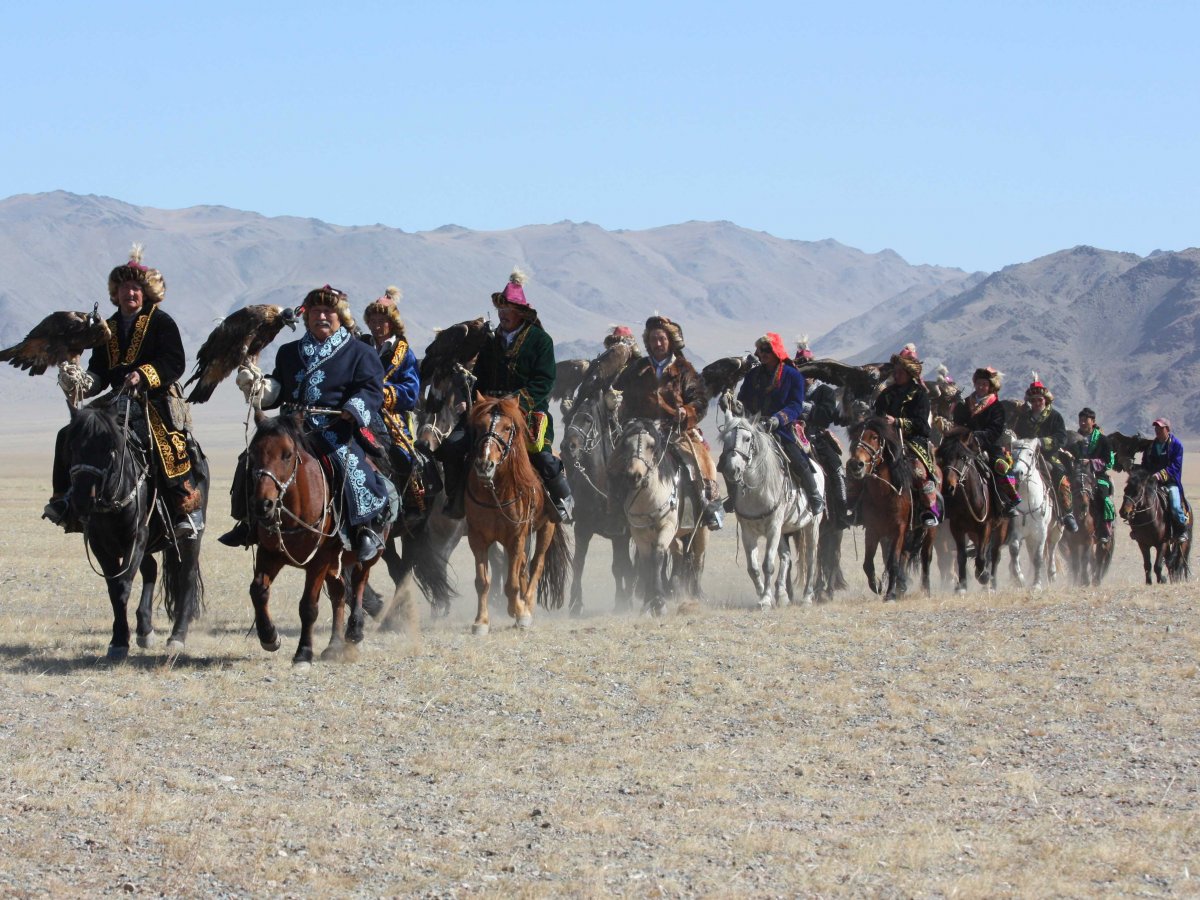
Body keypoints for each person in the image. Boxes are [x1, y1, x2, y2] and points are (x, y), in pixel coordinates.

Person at [45, 244, 205, 538]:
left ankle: (182, 506)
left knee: (164, 440)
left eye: (135, 288)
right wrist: (80, 380)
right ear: (115, 293)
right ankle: (65, 499)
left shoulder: (161, 321)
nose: (130, 293)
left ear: (145, 293)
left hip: (155, 399)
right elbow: (100, 372)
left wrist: (143, 374)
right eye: (124, 288)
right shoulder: (108, 328)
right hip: (115, 400)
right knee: (70, 433)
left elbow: (174, 361)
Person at [222, 286, 391, 561]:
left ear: (340, 316)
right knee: (251, 460)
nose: (321, 316)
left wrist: (353, 407)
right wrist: (259, 386)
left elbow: (372, 389)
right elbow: (279, 388)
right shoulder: (289, 352)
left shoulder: (360, 352)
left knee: (354, 470)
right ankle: (248, 523)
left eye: (328, 311)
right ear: (307, 316)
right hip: (291, 429)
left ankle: (364, 529)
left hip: (334, 430)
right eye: (315, 311)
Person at [438, 269, 574, 523]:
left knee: (543, 457)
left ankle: (561, 500)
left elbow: (544, 381)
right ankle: (455, 498)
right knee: (452, 447)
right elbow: (480, 377)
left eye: (507, 309)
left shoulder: (541, 341)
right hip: (489, 410)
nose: (502, 314)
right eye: (499, 310)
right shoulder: (490, 342)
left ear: (520, 312)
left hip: (527, 411)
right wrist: (471, 397)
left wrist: (514, 402)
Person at [611, 315, 724, 529]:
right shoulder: (637, 369)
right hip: (642, 429)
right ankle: (615, 511)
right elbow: (620, 392)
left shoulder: (684, 369)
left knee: (701, 463)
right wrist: (615, 401)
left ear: (670, 340)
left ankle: (710, 508)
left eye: (661, 338)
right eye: (653, 339)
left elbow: (700, 400)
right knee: (615, 462)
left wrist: (687, 411)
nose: (658, 343)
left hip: (676, 430)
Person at [362, 285, 435, 529]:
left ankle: (412, 505)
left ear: (392, 322)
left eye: (381, 320)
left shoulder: (406, 355)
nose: (375, 324)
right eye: (372, 319)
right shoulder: (361, 347)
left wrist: (381, 394)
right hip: (358, 411)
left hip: (391, 417)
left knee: (404, 457)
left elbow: (411, 391)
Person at [735, 332, 824, 516]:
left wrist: (778, 418)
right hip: (755, 426)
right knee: (734, 455)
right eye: (761, 350)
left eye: (768, 349)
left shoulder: (793, 375)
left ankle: (814, 495)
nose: (764, 353)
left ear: (776, 351)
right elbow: (743, 398)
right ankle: (734, 496)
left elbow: (795, 405)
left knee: (796, 456)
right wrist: (736, 405)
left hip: (780, 427)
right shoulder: (753, 375)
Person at [873, 343, 940, 527]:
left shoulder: (920, 395)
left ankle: (929, 509)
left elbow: (922, 426)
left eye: (900, 371)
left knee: (919, 472)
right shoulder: (886, 394)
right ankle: (857, 505)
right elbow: (876, 414)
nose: (896, 374)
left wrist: (898, 422)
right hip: (886, 439)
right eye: (895, 371)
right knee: (865, 464)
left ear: (909, 374)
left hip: (912, 440)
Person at [943, 366, 1020, 515]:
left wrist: (976, 436)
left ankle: (1007, 499)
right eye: (979, 383)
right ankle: (942, 497)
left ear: (990, 387)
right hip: (964, 444)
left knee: (1000, 466)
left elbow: (996, 430)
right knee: (945, 460)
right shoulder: (965, 403)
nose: (981, 387)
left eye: (984, 384)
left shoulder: (997, 407)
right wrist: (955, 431)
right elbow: (959, 422)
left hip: (989, 446)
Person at [796, 337, 850, 528]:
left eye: (809, 369)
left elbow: (825, 415)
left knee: (836, 469)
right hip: (792, 435)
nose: (805, 375)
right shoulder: (792, 390)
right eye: (801, 370)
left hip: (817, 437)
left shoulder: (825, 391)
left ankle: (842, 511)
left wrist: (802, 407)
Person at [1012, 378, 1078, 532]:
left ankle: (1067, 513)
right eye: (1033, 400)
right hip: (1025, 455)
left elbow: (1061, 438)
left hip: (1048, 456)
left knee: (1059, 476)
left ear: (1046, 400)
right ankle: (1006, 507)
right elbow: (1017, 434)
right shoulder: (1023, 417)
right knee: (1010, 473)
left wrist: (1041, 442)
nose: (1036, 403)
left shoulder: (1055, 416)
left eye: (1039, 400)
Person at [1071, 407, 1115, 543]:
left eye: (1085, 420)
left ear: (1093, 421)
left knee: (1102, 498)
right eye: (1081, 420)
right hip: (1076, 475)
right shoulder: (1074, 439)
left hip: (1097, 477)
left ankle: (1104, 530)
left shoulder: (1103, 440)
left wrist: (1090, 462)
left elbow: (1109, 462)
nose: (1082, 423)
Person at [1140, 417, 1188, 536]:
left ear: (1167, 429)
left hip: (1170, 482)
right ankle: (1138, 530)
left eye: (1160, 428)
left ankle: (1182, 530)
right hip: (1152, 482)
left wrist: (1159, 475)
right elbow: (1145, 464)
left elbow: (1175, 466)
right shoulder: (1151, 446)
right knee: (1137, 499)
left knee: (1175, 506)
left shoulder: (1176, 445)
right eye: (1156, 428)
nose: (1157, 430)